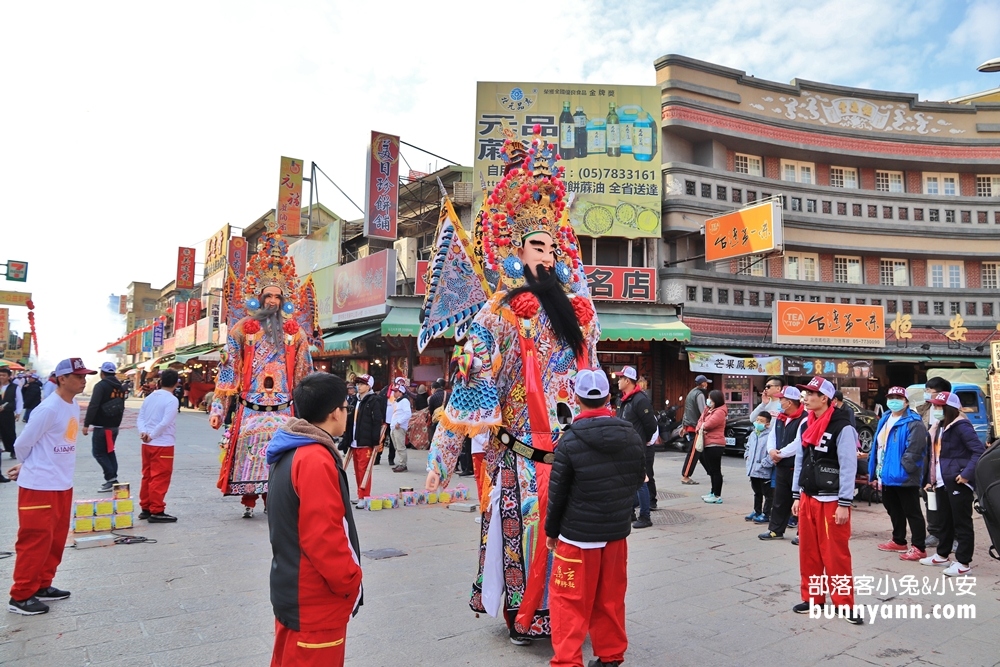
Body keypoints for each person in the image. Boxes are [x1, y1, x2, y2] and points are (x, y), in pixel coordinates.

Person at [423, 128, 600, 645]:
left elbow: (590, 377)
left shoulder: (576, 315)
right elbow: (471, 377)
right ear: (516, 250)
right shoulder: (499, 312)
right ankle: (523, 614)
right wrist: (442, 456)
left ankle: (568, 612)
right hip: (520, 454)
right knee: (523, 528)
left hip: (570, 451)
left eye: (552, 246)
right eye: (536, 246)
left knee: (573, 536)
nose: (546, 255)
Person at [209, 232, 317, 518]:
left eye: (277, 296)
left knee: (281, 458)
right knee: (249, 454)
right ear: (258, 298)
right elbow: (229, 367)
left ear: (284, 300)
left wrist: (313, 411)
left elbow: (306, 374)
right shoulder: (242, 330)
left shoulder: (296, 333)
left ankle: (274, 498)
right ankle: (248, 500)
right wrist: (219, 407)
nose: (272, 301)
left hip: (284, 408)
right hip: (250, 408)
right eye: (267, 295)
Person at [545, 369, 644, 667]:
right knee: (611, 598)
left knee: (568, 603)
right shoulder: (630, 433)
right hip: (615, 535)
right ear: (608, 397)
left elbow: (557, 493)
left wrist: (551, 531)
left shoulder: (570, 440)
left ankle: (567, 661)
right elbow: (638, 478)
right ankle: (611, 656)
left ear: (576, 399)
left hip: (577, 537)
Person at [265, 372, 362, 667]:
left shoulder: (292, 448)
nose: (347, 413)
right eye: (346, 407)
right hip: (314, 599)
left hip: (292, 586)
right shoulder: (315, 459)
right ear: (334, 412)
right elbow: (323, 537)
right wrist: (350, 581)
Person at [7, 358, 96, 615]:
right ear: (62, 378)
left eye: (84, 376)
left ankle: (43, 584)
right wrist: (29, 465)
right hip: (39, 486)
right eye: (79, 376)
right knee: (35, 540)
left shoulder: (72, 405)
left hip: (61, 483)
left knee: (55, 539)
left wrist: (31, 463)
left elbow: (48, 444)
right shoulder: (48, 409)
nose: (83, 380)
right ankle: (21, 596)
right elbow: (22, 444)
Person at [789, 377, 862, 624]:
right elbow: (800, 461)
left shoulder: (843, 427)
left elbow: (849, 467)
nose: (807, 397)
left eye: (812, 393)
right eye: (806, 393)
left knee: (835, 555)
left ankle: (844, 604)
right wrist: (796, 494)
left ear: (825, 399)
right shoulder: (804, 425)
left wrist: (844, 503)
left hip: (832, 501)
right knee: (808, 554)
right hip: (809, 497)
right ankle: (813, 598)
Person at [919, 391, 984, 577]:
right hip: (941, 482)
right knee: (943, 521)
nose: (936, 409)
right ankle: (942, 554)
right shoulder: (939, 427)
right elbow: (934, 457)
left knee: (961, 523)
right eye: (935, 406)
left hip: (957, 482)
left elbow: (978, 451)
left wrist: (965, 475)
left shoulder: (961, 426)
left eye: (940, 406)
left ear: (951, 409)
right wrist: (929, 479)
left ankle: (963, 562)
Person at [868, 386, 928, 561]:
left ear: (906, 401)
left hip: (903, 475)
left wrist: (904, 469)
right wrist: (875, 471)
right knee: (893, 508)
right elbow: (877, 446)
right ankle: (898, 540)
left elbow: (915, 450)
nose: (893, 401)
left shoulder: (914, 422)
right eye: (891, 397)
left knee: (912, 511)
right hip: (886, 474)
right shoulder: (885, 418)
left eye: (898, 397)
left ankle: (919, 547)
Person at [761, 386, 807, 541]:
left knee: (800, 500)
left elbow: (798, 442)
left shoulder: (804, 418)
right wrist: (772, 451)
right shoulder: (781, 417)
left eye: (782, 399)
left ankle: (802, 533)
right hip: (781, 465)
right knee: (779, 499)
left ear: (789, 402)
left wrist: (781, 454)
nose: (779, 401)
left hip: (796, 465)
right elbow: (772, 436)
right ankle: (775, 530)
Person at [616, 365, 658, 528]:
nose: (618, 381)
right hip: (625, 447)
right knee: (628, 482)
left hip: (637, 447)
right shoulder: (622, 400)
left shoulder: (640, 400)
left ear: (628, 380)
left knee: (641, 482)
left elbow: (651, 425)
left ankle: (645, 516)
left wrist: (644, 441)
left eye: (620, 378)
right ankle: (630, 512)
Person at [136, 369, 180, 523]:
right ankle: (157, 509)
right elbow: (165, 422)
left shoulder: (150, 397)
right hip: (163, 444)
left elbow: (141, 417)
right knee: (160, 477)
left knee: (147, 475)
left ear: (160, 381)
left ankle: (146, 507)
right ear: (176, 383)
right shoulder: (172, 400)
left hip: (146, 444)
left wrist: (144, 432)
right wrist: (152, 435)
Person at [83, 361, 127, 493]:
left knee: (98, 452)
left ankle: (111, 479)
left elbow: (93, 405)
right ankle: (113, 478)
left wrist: (86, 424)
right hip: (114, 426)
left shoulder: (101, 386)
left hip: (102, 426)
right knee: (109, 451)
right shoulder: (120, 386)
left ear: (102, 373)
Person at [917, 377, 951, 549]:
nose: (928, 394)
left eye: (932, 391)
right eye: (927, 390)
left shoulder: (953, 413)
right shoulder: (922, 411)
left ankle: (955, 536)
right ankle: (935, 532)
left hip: (945, 462)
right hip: (926, 460)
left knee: (948, 500)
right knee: (928, 496)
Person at [348, 374, 384, 506]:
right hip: (355, 441)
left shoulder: (374, 400)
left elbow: (377, 422)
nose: (359, 386)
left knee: (364, 470)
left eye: (362, 384)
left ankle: (365, 497)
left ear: (369, 386)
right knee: (357, 471)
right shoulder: (355, 400)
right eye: (358, 384)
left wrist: (375, 441)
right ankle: (360, 495)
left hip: (366, 442)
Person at [695, 389, 728, 503]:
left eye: (710, 398)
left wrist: (702, 426)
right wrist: (700, 427)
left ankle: (717, 495)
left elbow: (708, 425)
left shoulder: (719, 412)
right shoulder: (708, 410)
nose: (708, 400)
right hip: (708, 443)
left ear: (716, 400)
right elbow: (700, 421)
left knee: (715, 470)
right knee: (711, 470)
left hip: (715, 444)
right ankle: (713, 492)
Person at [680, 375, 711, 484]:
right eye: (706, 382)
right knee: (693, 452)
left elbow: (686, 411)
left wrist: (683, 425)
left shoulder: (691, 393)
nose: (707, 384)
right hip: (696, 427)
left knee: (700, 452)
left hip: (690, 424)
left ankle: (712, 472)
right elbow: (703, 412)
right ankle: (685, 475)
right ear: (703, 383)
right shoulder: (700, 395)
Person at [745, 411, 774, 523]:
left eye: (761, 421)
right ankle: (756, 511)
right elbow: (748, 447)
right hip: (753, 470)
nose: (758, 423)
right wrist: (747, 456)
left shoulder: (770, 435)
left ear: (767, 424)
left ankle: (766, 514)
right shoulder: (753, 434)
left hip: (764, 470)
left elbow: (772, 451)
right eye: (757, 420)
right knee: (757, 492)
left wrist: (765, 463)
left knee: (767, 494)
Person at [389, 378, 412, 473]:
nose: (394, 393)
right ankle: (401, 462)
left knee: (400, 446)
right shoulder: (398, 401)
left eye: (396, 391)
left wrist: (399, 422)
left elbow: (408, 413)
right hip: (395, 426)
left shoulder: (404, 401)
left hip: (399, 427)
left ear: (400, 392)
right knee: (397, 446)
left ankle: (403, 464)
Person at [0, 367, 23, 459]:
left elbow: (19, 400)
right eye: (0, 375)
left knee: (9, 433)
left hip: (7, 414)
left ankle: (12, 450)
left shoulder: (14, 387)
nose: (1, 377)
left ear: (9, 377)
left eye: (4, 375)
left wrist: (18, 412)